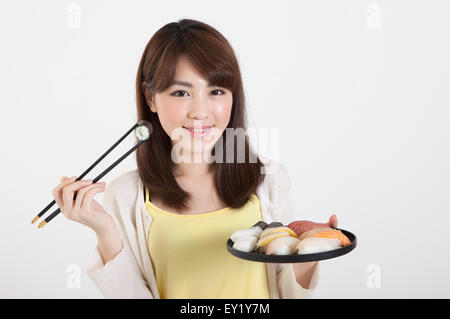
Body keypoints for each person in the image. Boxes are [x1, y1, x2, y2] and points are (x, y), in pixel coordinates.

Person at [51, 18, 338, 299]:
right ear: (150, 97)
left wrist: (310, 249)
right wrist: (104, 229)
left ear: (233, 96)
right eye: (181, 92)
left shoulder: (270, 180)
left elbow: (290, 294)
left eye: (215, 91)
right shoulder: (126, 195)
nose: (200, 111)